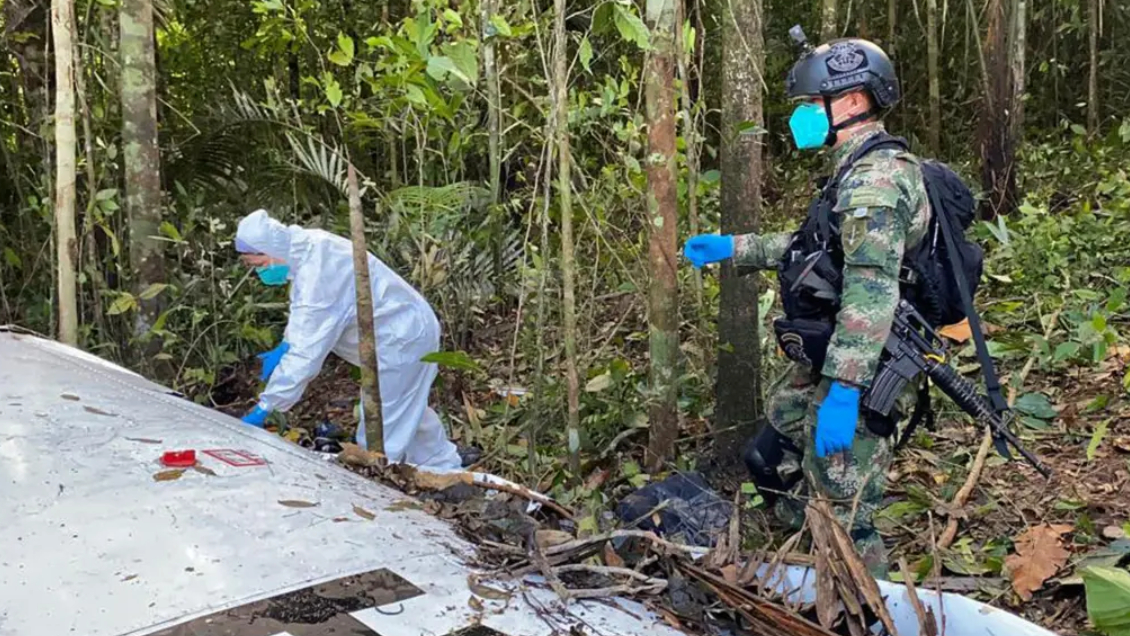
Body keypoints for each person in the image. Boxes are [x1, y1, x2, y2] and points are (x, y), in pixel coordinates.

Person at [683, 32, 928, 577]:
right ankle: (811, 562)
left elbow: (870, 290)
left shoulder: (876, 182)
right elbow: (814, 249)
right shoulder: (853, 169)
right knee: (769, 456)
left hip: (868, 363)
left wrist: (844, 390)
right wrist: (734, 248)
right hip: (832, 350)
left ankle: (865, 599)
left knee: (845, 511)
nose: (802, 116)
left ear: (853, 101)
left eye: (812, 104)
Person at [234, 209, 462, 471]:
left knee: (382, 419)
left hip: (400, 338)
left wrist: (267, 406)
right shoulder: (307, 249)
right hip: (404, 329)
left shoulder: (318, 271)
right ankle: (445, 468)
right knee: (408, 408)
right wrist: (286, 346)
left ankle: (378, 478)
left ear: (271, 248)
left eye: (260, 265)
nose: (260, 273)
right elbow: (303, 318)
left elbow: (306, 353)